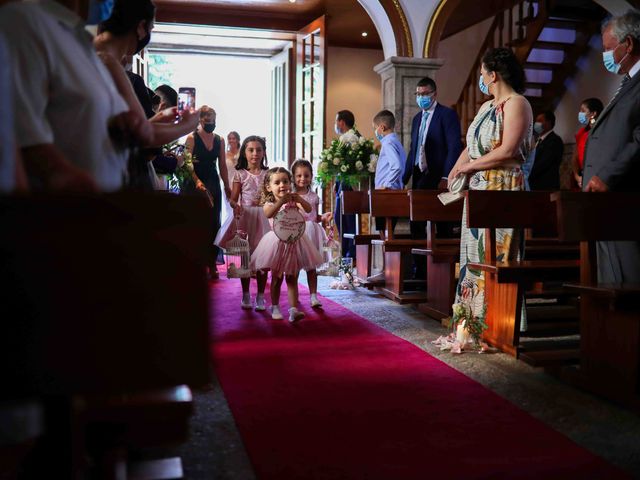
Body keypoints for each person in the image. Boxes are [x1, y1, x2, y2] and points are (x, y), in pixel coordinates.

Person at [0, 0, 150, 192]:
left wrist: (120, 123)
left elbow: (75, 113)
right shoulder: (25, 22)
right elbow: (21, 133)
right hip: (60, 211)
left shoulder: (82, 41)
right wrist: (58, 172)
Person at [448, 47, 533, 327]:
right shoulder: (485, 107)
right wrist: (456, 168)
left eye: (483, 74)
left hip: (503, 187)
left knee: (499, 255)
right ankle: (472, 319)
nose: (481, 79)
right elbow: (471, 146)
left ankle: (502, 321)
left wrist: (469, 167)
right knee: (474, 255)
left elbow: (508, 149)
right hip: (480, 189)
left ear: (493, 74)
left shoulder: (517, 103)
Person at [582, 9, 640, 284]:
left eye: (608, 49)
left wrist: (608, 175)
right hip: (607, 200)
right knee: (610, 278)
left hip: (624, 194)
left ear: (628, 44)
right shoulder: (628, 82)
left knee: (627, 278)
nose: (605, 56)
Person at [403, 77, 462, 278]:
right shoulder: (417, 119)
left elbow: (454, 147)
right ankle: (419, 272)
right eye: (418, 94)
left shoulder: (447, 115)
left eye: (425, 94)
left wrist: (447, 176)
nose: (421, 97)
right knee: (417, 224)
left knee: (442, 225)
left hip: (439, 176)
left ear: (434, 94)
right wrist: (403, 179)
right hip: (420, 176)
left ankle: (444, 274)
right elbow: (413, 149)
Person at [251, 167, 323, 322]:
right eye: (277, 182)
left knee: (292, 277)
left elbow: (309, 209)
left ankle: (293, 310)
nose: (282, 185)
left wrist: (300, 200)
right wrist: (281, 202)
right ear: (269, 187)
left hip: (294, 242)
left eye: (285, 181)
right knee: (277, 277)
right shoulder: (269, 203)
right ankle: (275, 306)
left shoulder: (293, 202)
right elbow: (269, 214)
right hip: (277, 243)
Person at [217, 136, 271, 309]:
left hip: (263, 217)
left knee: (263, 258)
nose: (255, 153)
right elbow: (233, 199)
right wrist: (236, 206)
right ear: (244, 152)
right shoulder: (240, 174)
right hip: (245, 217)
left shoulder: (268, 174)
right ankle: (246, 295)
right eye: (251, 150)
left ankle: (261, 296)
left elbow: (274, 195)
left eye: (259, 150)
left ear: (263, 152)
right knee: (245, 258)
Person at [185, 106, 232, 279]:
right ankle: (195, 262)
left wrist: (227, 186)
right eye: (207, 120)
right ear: (200, 120)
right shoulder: (191, 138)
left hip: (212, 182)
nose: (211, 123)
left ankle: (211, 263)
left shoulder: (219, 139)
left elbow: (223, 166)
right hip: (194, 182)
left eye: (213, 120)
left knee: (213, 222)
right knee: (196, 223)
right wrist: (196, 181)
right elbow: (187, 163)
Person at [291, 159, 332, 308]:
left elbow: (314, 217)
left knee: (311, 267)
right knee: (293, 267)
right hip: (296, 233)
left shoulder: (314, 196)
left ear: (311, 176)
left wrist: (324, 217)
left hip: (312, 233)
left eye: (306, 175)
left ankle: (313, 296)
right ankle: (293, 296)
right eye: (299, 175)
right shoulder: (291, 195)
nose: (303, 179)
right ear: (293, 177)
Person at [372, 109, 405, 236]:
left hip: (386, 194)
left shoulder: (388, 143)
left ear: (382, 127)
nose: (375, 132)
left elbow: (396, 166)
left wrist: (386, 184)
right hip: (391, 192)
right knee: (386, 234)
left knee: (385, 235)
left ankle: (388, 256)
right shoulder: (395, 141)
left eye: (375, 128)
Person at [333, 110, 358, 259]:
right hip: (342, 184)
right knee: (340, 218)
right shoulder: (344, 138)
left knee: (347, 220)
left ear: (341, 122)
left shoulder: (351, 138)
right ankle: (346, 253)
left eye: (336, 121)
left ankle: (351, 254)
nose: (335, 124)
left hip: (349, 186)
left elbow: (348, 165)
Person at [571, 98, 604, 190]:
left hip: (598, 178)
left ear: (593, 113)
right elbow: (575, 157)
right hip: (583, 176)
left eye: (583, 111)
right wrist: (577, 176)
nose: (580, 114)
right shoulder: (581, 133)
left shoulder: (602, 131)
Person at [528, 111, 564, 191]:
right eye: (536, 121)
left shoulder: (554, 141)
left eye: (540, 121)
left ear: (548, 123)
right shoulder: (538, 140)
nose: (536, 124)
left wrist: (527, 172)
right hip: (535, 185)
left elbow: (543, 163)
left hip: (547, 187)